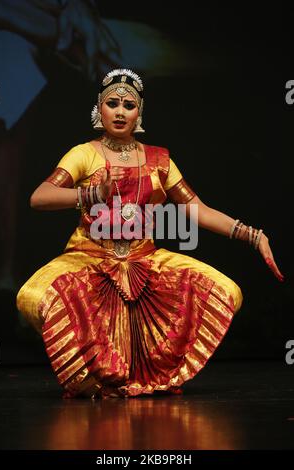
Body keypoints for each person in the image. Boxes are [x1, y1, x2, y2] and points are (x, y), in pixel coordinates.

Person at [16, 68, 284, 400]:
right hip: (91, 257)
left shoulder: (159, 159)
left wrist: (252, 236)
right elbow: (39, 198)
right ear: (99, 109)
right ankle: (95, 379)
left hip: (146, 259)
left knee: (226, 290)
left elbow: (196, 209)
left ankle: (151, 375)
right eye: (112, 103)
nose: (119, 111)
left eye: (128, 105)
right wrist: (88, 195)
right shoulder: (83, 153)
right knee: (35, 295)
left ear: (138, 113)